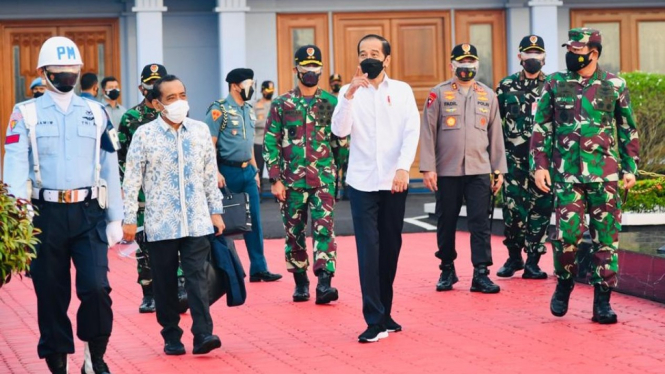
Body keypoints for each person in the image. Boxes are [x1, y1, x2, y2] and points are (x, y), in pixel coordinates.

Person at [3, 36, 123, 374]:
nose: (67, 76)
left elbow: (110, 163)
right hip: (45, 214)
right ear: (43, 72)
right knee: (51, 293)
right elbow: (13, 165)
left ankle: (93, 356)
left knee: (97, 287)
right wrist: (18, 212)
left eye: (72, 70)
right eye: (59, 70)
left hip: (88, 212)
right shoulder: (24, 113)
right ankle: (58, 364)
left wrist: (116, 215)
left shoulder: (97, 112)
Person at [531, 28, 639, 324]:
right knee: (567, 236)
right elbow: (541, 127)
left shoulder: (614, 85)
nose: (571, 55)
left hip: (604, 176)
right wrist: (539, 166)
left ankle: (602, 301)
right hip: (566, 175)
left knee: (606, 240)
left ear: (594, 53)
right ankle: (564, 282)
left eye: (577, 51)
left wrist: (631, 168)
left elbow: (627, 129)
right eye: (570, 50)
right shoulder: (555, 82)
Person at [122, 74, 225, 356]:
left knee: (197, 278)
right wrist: (129, 219)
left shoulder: (200, 131)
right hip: (160, 224)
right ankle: (171, 335)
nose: (180, 102)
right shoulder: (144, 135)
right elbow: (131, 180)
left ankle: (204, 333)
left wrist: (215, 212)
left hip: (196, 221)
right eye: (171, 98)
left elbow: (209, 175)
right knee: (165, 283)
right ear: (157, 104)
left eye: (182, 95)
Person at [331, 34, 420, 343]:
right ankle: (373, 320)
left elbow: (412, 131)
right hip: (362, 183)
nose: (368, 57)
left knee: (390, 249)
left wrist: (403, 168)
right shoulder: (348, 91)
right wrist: (350, 95)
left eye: (374, 53)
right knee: (369, 249)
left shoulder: (402, 90)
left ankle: (385, 312)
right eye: (363, 52)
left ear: (386, 59)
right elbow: (339, 131)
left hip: (395, 183)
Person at [264, 45, 349, 304]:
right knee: (294, 231)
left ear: (321, 69)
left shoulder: (331, 103)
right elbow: (271, 141)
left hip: (323, 178)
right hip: (291, 181)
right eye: (305, 67)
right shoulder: (281, 104)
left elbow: (341, 140)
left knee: (325, 230)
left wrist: (338, 172)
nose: (310, 71)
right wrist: (276, 179)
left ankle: (324, 282)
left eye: (315, 67)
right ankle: (300, 281)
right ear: (296, 70)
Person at [420, 43, 507, 295]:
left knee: (480, 222)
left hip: (479, 170)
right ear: (452, 65)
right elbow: (428, 133)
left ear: (477, 65)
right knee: (446, 221)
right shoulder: (438, 93)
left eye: (471, 62)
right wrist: (428, 168)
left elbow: (495, 134)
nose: (467, 67)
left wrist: (498, 169)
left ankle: (481, 273)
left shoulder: (488, 95)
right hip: (447, 171)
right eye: (462, 62)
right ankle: (447, 268)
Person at [118, 63, 188, 314]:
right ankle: (148, 293)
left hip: (170, 192)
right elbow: (123, 159)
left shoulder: (176, 114)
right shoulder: (130, 119)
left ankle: (180, 287)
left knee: (177, 238)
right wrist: (129, 192)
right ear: (142, 88)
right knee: (144, 244)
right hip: (141, 197)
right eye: (150, 86)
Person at [205, 68, 282, 283]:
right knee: (223, 222)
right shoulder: (218, 110)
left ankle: (259, 267)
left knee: (254, 220)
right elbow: (209, 144)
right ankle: (222, 269)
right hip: (226, 172)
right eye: (248, 83)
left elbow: (248, 145)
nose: (252, 87)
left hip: (247, 171)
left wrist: (256, 170)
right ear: (235, 85)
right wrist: (215, 172)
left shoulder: (248, 110)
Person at [494, 35, 552, 280]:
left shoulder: (552, 85)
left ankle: (533, 262)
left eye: (537, 53)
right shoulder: (506, 86)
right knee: (513, 211)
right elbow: (494, 126)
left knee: (540, 210)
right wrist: (495, 164)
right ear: (519, 57)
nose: (533, 58)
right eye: (528, 53)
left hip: (543, 164)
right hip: (513, 162)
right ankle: (514, 257)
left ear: (544, 57)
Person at [254, 80, 274, 189]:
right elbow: (252, 121)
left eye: (272, 90)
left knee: (274, 169)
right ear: (262, 90)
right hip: (259, 141)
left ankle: (277, 194)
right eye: (268, 90)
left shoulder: (275, 104)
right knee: (259, 169)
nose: (270, 92)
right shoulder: (256, 105)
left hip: (273, 141)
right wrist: (266, 122)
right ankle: (259, 191)